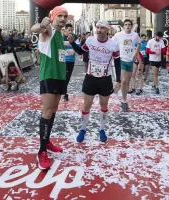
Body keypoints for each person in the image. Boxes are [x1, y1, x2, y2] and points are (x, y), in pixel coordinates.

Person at [68, 20, 121, 143]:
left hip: (105, 79)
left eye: (102, 28)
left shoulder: (113, 44)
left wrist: (118, 80)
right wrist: (72, 43)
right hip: (90, 77)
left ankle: (102, 129)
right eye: (97, 27)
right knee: (87, 105)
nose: (99, 30)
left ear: (107, 30)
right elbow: (82, 52)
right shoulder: (90, 40)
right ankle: (83, 129)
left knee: (103, 105)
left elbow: (118, 63)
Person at [30, 6, 68, 170]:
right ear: (53, 17)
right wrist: (42, 24)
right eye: (59, 16)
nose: (62, 19)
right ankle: (41, 151)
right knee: (47, 111)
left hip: (60, 77)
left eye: (65, 17)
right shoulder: (48, 30)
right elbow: (35, 29)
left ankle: (47, 141)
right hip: (49, 76)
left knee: (53, 110)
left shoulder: (60, 33)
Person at [112, 19, 141, 111]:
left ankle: (124, 99)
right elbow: (112, 43)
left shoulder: (135, 35)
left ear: (131, 26)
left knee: (127, 81)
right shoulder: (118, 35)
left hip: (130, 60)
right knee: (123, 80)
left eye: (129, 24)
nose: (127, 26)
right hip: (122, 60)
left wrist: (136, 53)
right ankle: (123, 100)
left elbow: (139, 43)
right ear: (123, 26)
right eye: (126, 24)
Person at [63, 24, 77, 101]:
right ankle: (65, 93)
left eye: (72, 30)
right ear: (65, 30)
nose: (71, 31)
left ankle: (64, 90)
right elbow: (60, 47)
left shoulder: (75, 37)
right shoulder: (62, 38)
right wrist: (67, 44)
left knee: (68, 77)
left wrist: (74, 50)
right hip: (64, 60)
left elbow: (77, 47)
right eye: (69, 30)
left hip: (72, 60)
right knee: (65, 76)